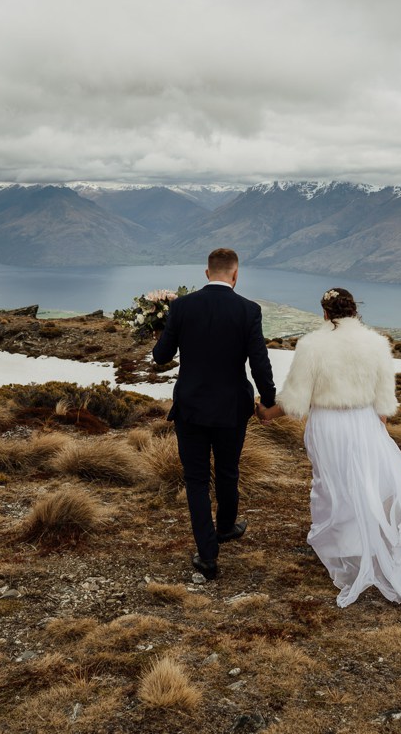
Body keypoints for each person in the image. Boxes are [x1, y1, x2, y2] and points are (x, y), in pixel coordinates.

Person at [258, 288, 401, 612]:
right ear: (355, 311)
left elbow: (297, 397)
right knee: (365, 484)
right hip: (365, 422)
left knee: (333, 485)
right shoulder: (375, 344)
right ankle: (364, 547)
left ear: (325, 313)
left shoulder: (312, 344)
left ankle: (345, 549)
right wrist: (376, 428)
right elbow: (384, 399)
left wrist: (267, 413)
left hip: (328, 425)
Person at [153, 248, 276, 580]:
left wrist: (162, 332)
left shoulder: (181, 307)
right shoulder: (248, 310)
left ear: (207, 273)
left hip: (191, 407)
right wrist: (269, 400)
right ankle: (225, 528)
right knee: (227, 470)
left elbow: (161, 357)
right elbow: (259, 362)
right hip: (232, 407)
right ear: (236, 275)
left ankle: (207, 556)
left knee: (195, 480)